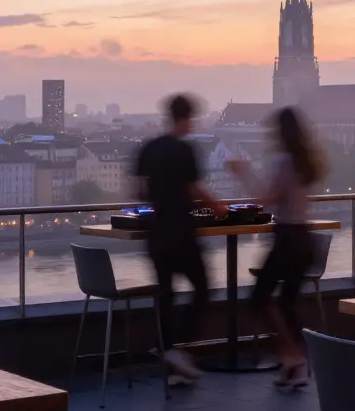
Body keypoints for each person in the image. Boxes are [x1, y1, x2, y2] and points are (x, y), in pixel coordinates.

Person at [227, 106, 326, 388]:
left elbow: (266, 198)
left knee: (260, 297)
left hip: (287, 238)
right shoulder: (306, 161)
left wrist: (244, 172)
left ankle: (291, 355)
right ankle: (294, 361)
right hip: (303, 238)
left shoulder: (284, 162)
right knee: (287, 302)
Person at [133, 94, 227, 381]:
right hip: (181, 231)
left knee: (166, 293)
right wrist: (218, 208)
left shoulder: (149, 147)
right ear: (187, 119)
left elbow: (139, 192)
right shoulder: (185, 150)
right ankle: (181, 347)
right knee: (202, 287)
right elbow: (194, 188)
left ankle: (171, 353)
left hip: (157, 233)